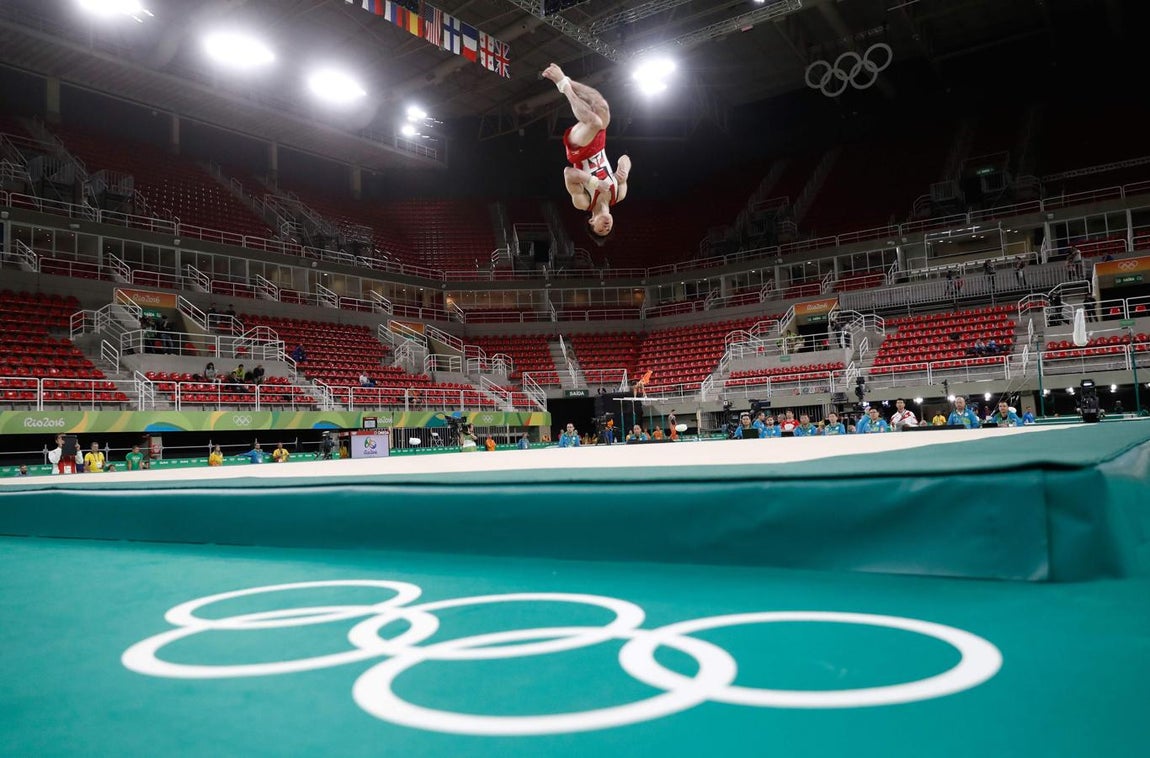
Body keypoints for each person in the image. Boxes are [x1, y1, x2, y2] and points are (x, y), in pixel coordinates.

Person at [541, 62, 632, 241]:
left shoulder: (583, 203)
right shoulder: (619, 195)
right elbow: (625, 157)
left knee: (595, 122)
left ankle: (563, 85)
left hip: (578, 151)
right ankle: (567, 80)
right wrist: (624, 170)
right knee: (602, 107)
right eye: (608, 230)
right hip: (599, 146)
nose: (605, 227)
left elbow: (568, 173)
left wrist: (593, 182)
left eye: (600, 230)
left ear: (591, 222)